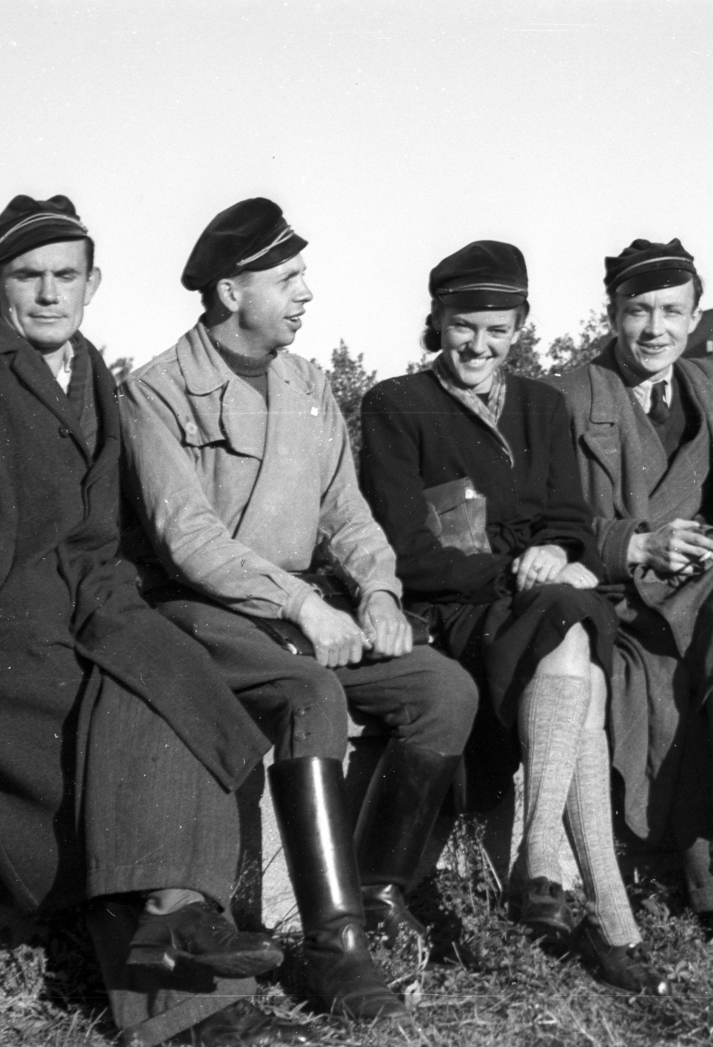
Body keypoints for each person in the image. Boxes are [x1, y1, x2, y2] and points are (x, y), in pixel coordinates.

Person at [0, 195, 306, 1046]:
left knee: (166, 685)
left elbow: (96, 537)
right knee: (117, 735)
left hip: (70, 610)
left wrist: (114, 613)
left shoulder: (92, 371)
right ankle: (186, 995)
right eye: (28, 276)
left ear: (94, 283)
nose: (49, 294)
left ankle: (179, 939)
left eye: (67, 276)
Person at [119, 198, 480, 1019]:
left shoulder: (309, 385)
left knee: (441, 690)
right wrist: (307, 606)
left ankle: (380, 885)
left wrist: (379, 590)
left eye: (304, 275)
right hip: (201, 613)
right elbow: (189, 542)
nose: (306, 293)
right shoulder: (156, 392)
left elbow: (347, 514)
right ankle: (334, 947)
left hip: (296, 614)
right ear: (227, 291)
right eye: (287, 279)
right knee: (312, 694)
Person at [358, 241, 668, 996]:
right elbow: (408, 549)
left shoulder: (541, 404)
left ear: (520, 328)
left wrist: (559, 551)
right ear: (437, 319)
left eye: (498, 329)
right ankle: (589, 900)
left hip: (538, 605)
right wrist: (515, 567)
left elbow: (572, 521)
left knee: (573, 647)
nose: (479, 344)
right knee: (581, 669)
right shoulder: (397, 405)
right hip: (455, 611)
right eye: (465, 325)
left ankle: (562, 880)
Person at [545, 238, 713, 977]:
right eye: (638, 312)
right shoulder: (570, 396)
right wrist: (636, 544)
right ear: (613, 314)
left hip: (709, 583)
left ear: (696, 318)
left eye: (672, 311)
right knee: (674, 677)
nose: (654, 329)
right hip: (620, 599)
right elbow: (545, 517)